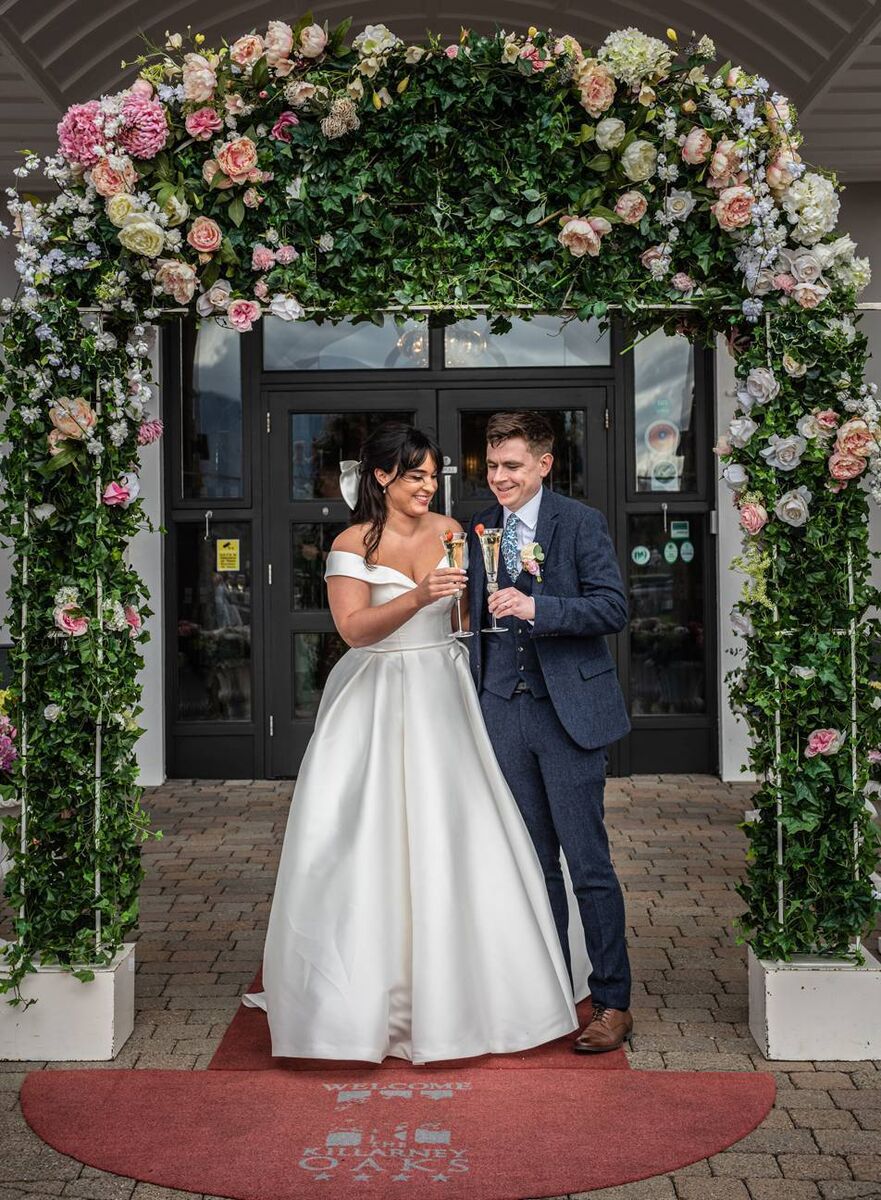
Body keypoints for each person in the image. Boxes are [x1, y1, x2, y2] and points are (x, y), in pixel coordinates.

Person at [243, 421, 586, 1063]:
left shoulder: (455, 532)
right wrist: (418, 596)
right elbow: (353, 629)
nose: (429, 486)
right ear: (381, 477)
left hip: (444, 688)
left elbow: (462, 619)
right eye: (415, 476)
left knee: (457, 828)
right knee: (364, 835)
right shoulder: (350, 543)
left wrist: (485, 600)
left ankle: (472, 990)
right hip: (376, 692)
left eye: (433, 476)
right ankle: (362, 1000)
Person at [468, 411, 633, 1053]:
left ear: (544, 464)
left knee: (587, 864)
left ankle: (612, 1002)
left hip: (568, 713)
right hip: (502, 710)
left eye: (513, 465)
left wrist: (540, 608)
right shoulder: (477, 527)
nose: (501, 477)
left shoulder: (579, 523)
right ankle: (552, 993)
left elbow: (613, 606)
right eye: (493, 465)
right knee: (532, 863)